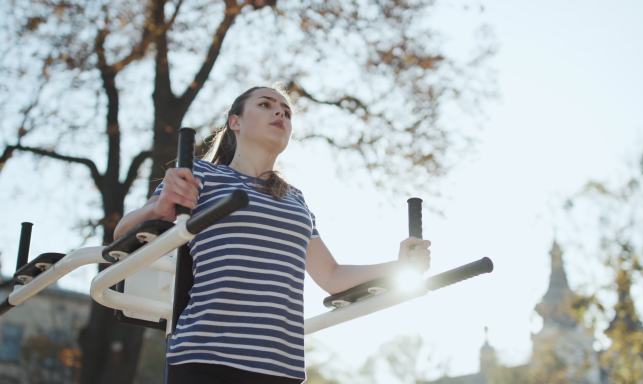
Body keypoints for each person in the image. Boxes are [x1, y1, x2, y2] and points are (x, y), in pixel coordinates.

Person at [113, 86, 432, 383]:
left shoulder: (295, 199)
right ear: (234, 122)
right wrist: (160, 208)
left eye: (287, 112)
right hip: (206, 355)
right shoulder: (200, 175)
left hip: (280, 364)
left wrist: (400, 266)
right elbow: (123, 234)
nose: (280, 114)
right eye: (265, 105)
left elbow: (332, 276)